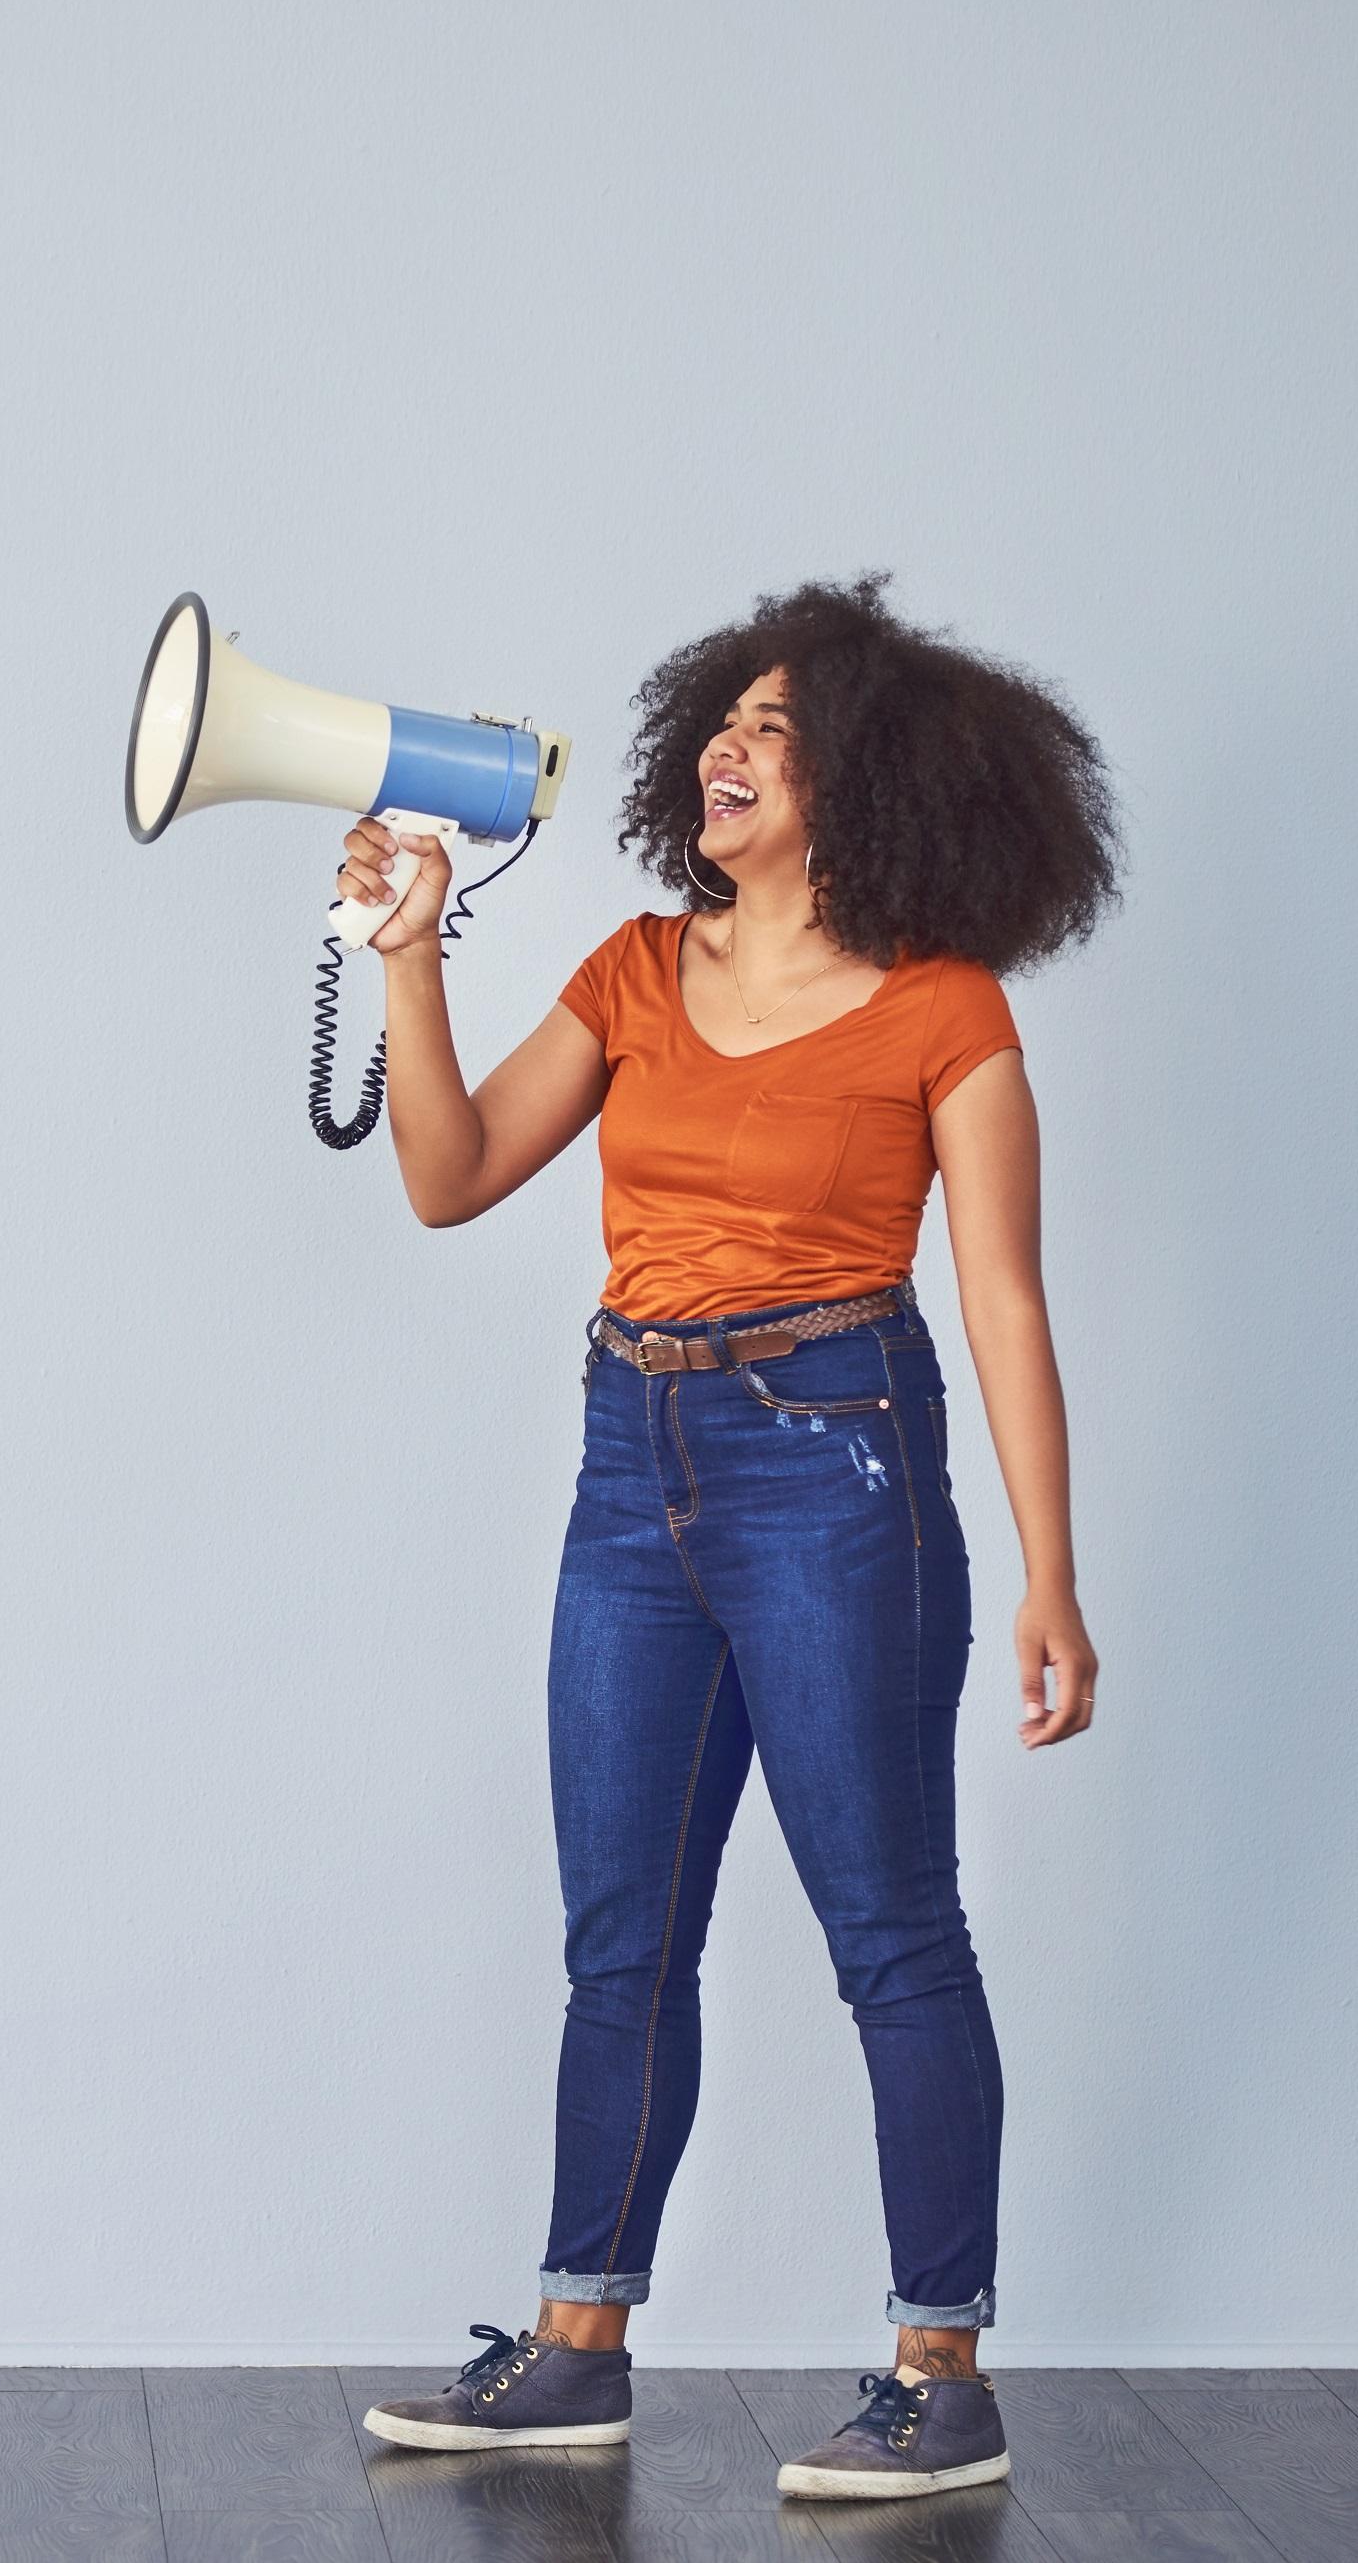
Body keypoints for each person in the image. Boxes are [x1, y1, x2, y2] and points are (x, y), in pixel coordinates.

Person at [345, 576, 1118, 2503]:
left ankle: (940, 2378)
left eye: (772, 732)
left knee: (889, 1932)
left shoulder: (944, 1007)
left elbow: (1004, 1298)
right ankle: (575, 2349)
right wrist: (410, 958)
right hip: (633, 1460)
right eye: (723, 721)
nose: (725, 750)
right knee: (620, 1940)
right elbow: (444, 1181)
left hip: (833, 1463)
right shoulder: (628, 966)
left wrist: (1047, 1574)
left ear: (864, 779)